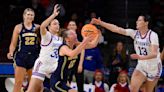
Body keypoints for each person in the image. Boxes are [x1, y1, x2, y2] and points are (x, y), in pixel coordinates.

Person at [91, 14, 163, 92]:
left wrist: (139, 57)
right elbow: (117, 29)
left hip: (154, 66)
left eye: (139, 20)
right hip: (142, 65)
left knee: (148, 90)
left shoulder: (152, 35)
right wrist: (101, 23)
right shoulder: (135, 33)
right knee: (133, 88)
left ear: (146, 23)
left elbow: (154, 54)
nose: (136, 22)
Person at [50, 27, 100, 92]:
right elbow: (72, 54)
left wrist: (98, 35)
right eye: (72, 34)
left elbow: (93, 45)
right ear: (67, 39)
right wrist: (85, 41)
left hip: (64, 81)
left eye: (75, 33)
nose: (75, 34)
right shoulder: (63, 47)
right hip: (57, 81)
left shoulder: (77, 45)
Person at [26, 4, 63, 92]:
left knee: (64, 88)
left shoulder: (61, 39)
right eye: (54, 24)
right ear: (49, 27)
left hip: (54, 66)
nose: (57, 25)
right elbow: (42, 26)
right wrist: (54, 15)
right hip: (43, 65)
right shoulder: (47, 36)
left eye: (58, 24)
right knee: (32, 90)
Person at [7, 8, 40, 92]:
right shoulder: (18, 27)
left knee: (33, 84)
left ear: (34, 17)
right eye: (28, 14)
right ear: (24, 16)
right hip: (21, 56)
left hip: (34, 57)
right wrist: (11, 52)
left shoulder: (37, 27)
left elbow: (43, 41)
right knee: (18, 82)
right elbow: (13, 43)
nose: (29, 16)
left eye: (31, 15)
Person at [67, 20, 85, 92]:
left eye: (73, 25)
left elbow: (83, 50)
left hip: (77, 62)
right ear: (68, 27)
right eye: (70, 25)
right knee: (67, 82)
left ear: (76, 27)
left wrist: (80, 64)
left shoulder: (80, 36)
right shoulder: (64, 37)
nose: (71, 26)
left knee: (80, 83)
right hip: (68, 62)